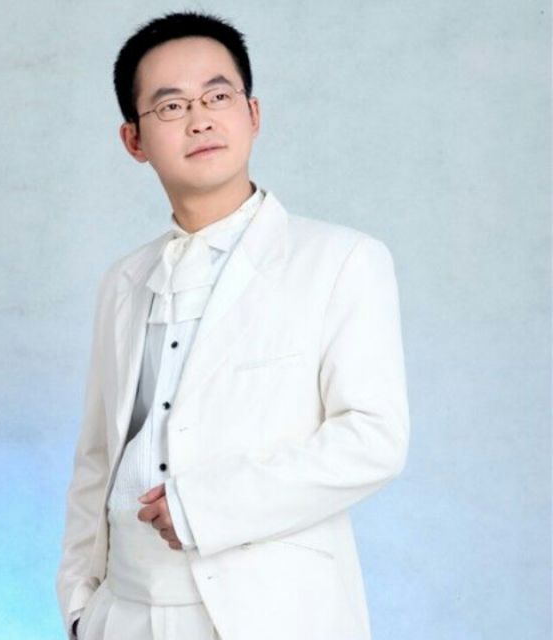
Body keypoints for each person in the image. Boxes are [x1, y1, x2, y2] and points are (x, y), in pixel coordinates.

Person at [55, 10, 410, 640]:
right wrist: (83, 607)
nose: (200, 119)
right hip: (124, 610)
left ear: (253, 113)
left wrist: (204, 507)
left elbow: (373, 438)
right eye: (170, 106)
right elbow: (97, 457)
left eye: (218, 96)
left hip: (270, 612)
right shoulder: (123, 281)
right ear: (134, 140)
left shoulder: (341, 260)